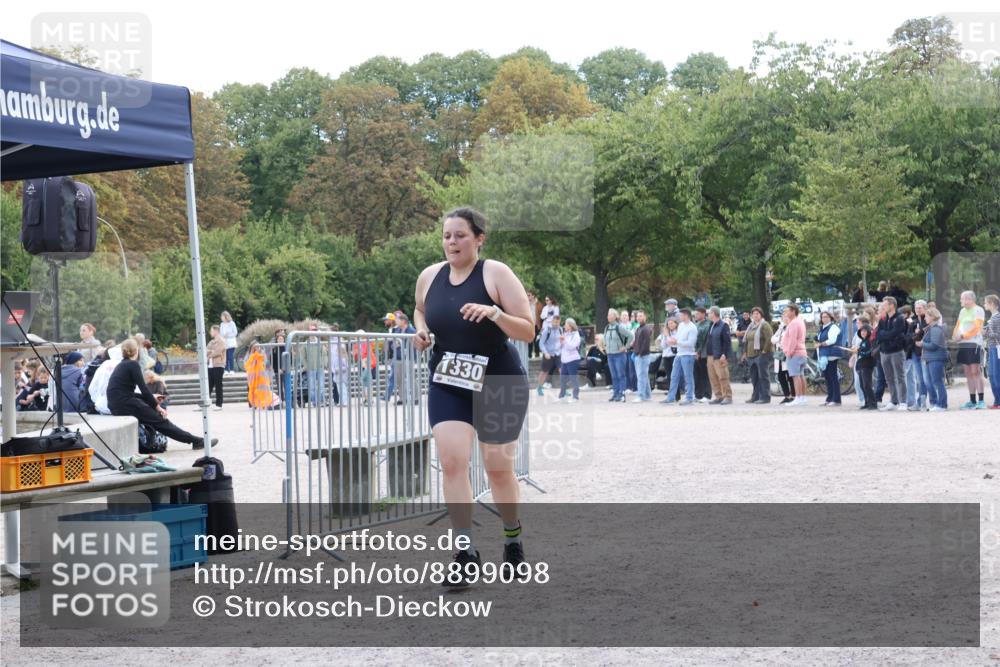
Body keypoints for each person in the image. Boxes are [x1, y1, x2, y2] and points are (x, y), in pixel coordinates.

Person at [412, 206, 533, 586]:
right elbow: (419, 310)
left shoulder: (495, 273)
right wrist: (421, 331)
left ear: (479, 239)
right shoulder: (429, 276)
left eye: (460, 235)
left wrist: (495, 314)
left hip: (498, 380)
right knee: (452, 463)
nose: (452, 242)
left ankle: (512, 539)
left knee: (497, 468)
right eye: (447, 236)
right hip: (449, 380)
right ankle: (465, 553)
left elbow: (527, 330)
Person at [108, 339, 216, 450]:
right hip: (125, 404)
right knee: (160, 421)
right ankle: (195, 441)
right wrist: (158, 407)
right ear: (136, 351)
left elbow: (125, 393)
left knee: (154, 418)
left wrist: (152, 398)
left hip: (116, 405)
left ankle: (193, 440)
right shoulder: (133, 364)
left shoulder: (122, 365)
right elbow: (144, 389)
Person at [952, 290, 987, 409]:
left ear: (970, 299)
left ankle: (981, 401)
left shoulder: (978, 310)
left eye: (962, 298)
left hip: (973, 344)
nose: (960, 301)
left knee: (975, 372)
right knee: (967, 373)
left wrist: (963, 336)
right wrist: (954, 336)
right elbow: (958, 325)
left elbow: (977, 327)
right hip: (962, 344)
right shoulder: (962, 311)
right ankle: (972, 400)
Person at [876, 296, 908, 411]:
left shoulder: (899, 318)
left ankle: (903, 402)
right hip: (884, 352)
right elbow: (879, 334)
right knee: (889, 378)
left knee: (900, 377)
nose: (883, 307)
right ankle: (893, 401)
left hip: (896, 351)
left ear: (892, 305)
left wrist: (886, 335)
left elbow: (896, 333)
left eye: (885, 305)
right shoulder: (883, 319)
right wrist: (887, 335)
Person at [661, 309, 697, 405]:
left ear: (686, 315)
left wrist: (676, 342)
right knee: (674, 376)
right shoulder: (681, 325)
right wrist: (671, 339)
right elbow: (678, 339)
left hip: (688, 355)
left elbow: (691, 343)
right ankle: (671, 397)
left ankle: (689, 398)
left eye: (681, 315)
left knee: (688, 377)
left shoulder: (692, 327)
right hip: (679, 354)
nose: (679, 317)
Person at [917, 307, 948, 411]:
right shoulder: (933, 328)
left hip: (936, 358)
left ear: (932, 316)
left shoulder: (935, 329)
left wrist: (922, 344)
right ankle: (940, 404)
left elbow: (934, 345)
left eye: (926, 316)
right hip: (932, 358)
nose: (925, 318)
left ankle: (942, 405)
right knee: (937, 382)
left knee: (938, 382)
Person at [845, 316, 878, 410]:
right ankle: (867, 402)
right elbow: (860, 352)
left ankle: (873, 403)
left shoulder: (870, 341)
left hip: (867, 365)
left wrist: (859, 351)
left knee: (867, 384)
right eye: (862, 331)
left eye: (865, 331)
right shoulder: (862, 341)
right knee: (862, 385)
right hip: (861, 365)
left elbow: (869, 353)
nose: (863, 333)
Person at [743, 307, 773, 404]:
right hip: (751, 355)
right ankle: (755, 396)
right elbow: (747, 340)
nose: (755, 315)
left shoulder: (765, 325)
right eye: (753, 314)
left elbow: (769, 338)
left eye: (757, 313)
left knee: (763, 376)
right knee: (754, 377)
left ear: (761, 315)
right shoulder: (751, 326)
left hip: (761, 354)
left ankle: (765, 397)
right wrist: (745, 352)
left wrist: (764, 350)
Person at [603, 308, 633, 403]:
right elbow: (605, 339)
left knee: (621, 375)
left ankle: (621, 393)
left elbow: (630, 336)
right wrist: (605, 346)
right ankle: (615, 394)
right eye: (608, 315)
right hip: (610, 355)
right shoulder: (607, 327)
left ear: (615, 316)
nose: (608, 317)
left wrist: (625, 346)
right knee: (614, 375)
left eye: (610, 315)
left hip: (619, 355)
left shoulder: (619, 327)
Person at [781, 303, 808, 406]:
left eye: (787, 311)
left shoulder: (793, 323)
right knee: (801, 375)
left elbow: (793, 339)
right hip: (802, 352)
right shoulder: (800, 321)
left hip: (795, 353)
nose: (786, 313)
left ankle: (798, 397)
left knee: (795, 376)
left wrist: (789, 352)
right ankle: (803, 397)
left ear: (793, 311)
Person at [705, 306, 733, 405]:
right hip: (710, 356)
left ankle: (727, 396)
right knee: (713, 378)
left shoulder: (723, 325)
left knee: (723, 376)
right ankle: (718, 396)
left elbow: (727, 342)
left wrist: (724, 354)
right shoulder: (711, 325)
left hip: (719, 356)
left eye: (710, 313)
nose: (708, 314)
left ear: (714, 313)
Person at [904, 302, 929, 412]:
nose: (918, 310)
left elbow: (925, 334)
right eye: (916, 308)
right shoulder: (913, 321)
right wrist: (916, 334)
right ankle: (920, 403)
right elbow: (908, 337)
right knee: (919, 378)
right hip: (914, 353)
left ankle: (925, 402)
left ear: (925, 308)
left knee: (925, 379)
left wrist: (917, 333)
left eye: (920, 308)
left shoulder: (927, 320)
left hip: (925, 353)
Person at [815, 311, 843, 407]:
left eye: (826, 317)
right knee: (827, 377)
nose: (824, 318)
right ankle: (830, 398)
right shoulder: (823, 328)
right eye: (823, 317)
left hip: (832, 354)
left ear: (831, 318)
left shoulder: (833, 327)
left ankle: (836, 399)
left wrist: (820, 344)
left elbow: (832, 340)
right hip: (825, 354)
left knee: (832, 376)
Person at [245, 341, 280, 409]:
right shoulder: (249, 354)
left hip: (261, 377)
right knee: (252, 390)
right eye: (255, 347)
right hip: (252, 376)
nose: (257, 348)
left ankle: (263, 403)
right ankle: (254, 404)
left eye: (258, 346)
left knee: (262, 390)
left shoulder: (262, 353)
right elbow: (246, 364)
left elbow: (265, 362)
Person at [771, 311, 795, 404]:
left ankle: (793, 396)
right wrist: (779, 339)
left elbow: (787, 339)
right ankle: (786, 395)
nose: (784, 318)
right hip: (779, 354)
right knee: (780, 376)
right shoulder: (781, 328)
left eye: (786, 317)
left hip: (788, 353)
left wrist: (780, 340)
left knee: (790, 376)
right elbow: (772, 339)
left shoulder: (791, 327)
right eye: (783, 317)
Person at [631, 310, 654, 403]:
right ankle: (647, 395)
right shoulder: (638, 328)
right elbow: (637, 341)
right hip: (638, 355)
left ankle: (641, 396)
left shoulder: (646, 329)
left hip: (643, 356)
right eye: (638, 316)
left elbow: (646, 342)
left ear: (645, 317)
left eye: (641, 316)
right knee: (644, 376)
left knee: (641, 377)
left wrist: (641, 353)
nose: (639, 318)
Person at [536, 314, 562, 396]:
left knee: (562, 370)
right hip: (548, 354)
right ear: (552, 321)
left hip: (557, 353)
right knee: (544, 372)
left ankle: (564, 389)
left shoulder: (560, 329)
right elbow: (541, 343)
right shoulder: (547, 330)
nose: (556, 324)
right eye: (555, 322)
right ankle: (539, 387)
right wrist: (545, 353)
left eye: (558, 322)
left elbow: (561, 341)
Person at [557, 318, 582, 402]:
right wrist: (560, 342)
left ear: (570, 326)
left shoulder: (576, 335)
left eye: (566, 324)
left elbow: (571, 346)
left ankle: (575, 396)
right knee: (562, 379)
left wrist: (564, 341)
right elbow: (561, 347)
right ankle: (562, 396)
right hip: (564, 360)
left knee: (573, 378)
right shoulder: (565, 334)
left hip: (573, 360)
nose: (564, 326)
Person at [983, 293, 1000, 409]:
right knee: (992, 375)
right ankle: (997, 401)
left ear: (992, 304)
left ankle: (998, 401)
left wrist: (986, 333)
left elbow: (998, 335)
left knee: (996, 375)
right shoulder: (993, 317)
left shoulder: (997, 317)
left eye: (986, 303)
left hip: (996, 348)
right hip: (991, 348)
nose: (984, 305)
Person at [693, 307, 712, 403]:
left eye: (698, 314)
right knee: (696, 374)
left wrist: (698, 351)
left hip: (704, 353)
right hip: (694, 352)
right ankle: (698, 395)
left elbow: (703, 339)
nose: (696, 315)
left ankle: (707, 395)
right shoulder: (695, 324)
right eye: (695, 314)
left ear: (703, 314)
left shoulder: (708, 324)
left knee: (705, 374)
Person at [656, 320, 679, 398]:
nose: (670, 325)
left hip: (674, 355)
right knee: (669, 376)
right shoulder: (665, 334)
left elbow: (673, 343)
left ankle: (676, 394)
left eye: (672, 323)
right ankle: (671, 394)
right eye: (669, 324)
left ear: (676, 324)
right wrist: (665, 336)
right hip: (666, 356)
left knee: (674, 376)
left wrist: (668, 337)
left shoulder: (678, 332)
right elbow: (663, 345)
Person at [206, 325, 226, 410]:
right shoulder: (211, 342)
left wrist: (210, 354)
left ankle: (219, 404)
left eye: (211, 331)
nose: (210, 332)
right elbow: (206, 350)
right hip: (210, 366)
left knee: (218, 386)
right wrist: (211, 351)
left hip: (218, 365)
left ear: (216, 331)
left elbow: (218, 352)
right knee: (208, 386)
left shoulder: (221, 341)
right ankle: (206, 403)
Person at [527, 291, 541, 358]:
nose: (528, 297)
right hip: (529, 325)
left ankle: (537, 354)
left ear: (533, 296)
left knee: (536, 340)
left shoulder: (538, 304)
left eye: (529, 295)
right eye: (527, 295)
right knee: (529, 340)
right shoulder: (526, 304)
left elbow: (542, 315)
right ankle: (529, 355)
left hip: (536, 325)